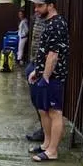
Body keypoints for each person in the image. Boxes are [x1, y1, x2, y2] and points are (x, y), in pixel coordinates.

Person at [27, 0, 69, 162]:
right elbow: (44, 52)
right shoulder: (49, 23)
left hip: (53, 76)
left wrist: (45, 77)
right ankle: (46, 144)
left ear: (50, 6)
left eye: (40, 5)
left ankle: (52, 151)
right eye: (36, 5)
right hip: (43, 74)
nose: (36, 9)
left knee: (54, 112)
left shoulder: (57, 24)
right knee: (43, 110)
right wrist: (36, 72)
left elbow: (53, 55)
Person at [25, 13, 46, 142]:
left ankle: (46, 133)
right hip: (33, 64)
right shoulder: (38, 20)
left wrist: (40, 69)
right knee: (36, 101)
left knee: (43, 104)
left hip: (40, 67)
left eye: (39, 6)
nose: (36, 10)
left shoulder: (52, 24)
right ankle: (43, 129)